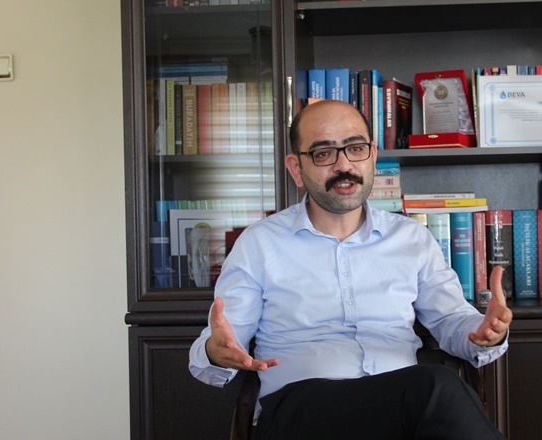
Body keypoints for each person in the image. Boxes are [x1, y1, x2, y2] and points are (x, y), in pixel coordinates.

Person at [188, 99, 512, 440]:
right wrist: (216, 352)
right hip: (298, 414)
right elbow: (219, 343)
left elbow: (452, 321)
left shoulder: (412, 239)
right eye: (324, 153)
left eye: (355, 148)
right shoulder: (259, 244)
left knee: (432, 394)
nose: (344, 165)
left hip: (398, 411)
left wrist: (485, 331)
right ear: (296, 168)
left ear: (373, 156)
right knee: (436, 386)